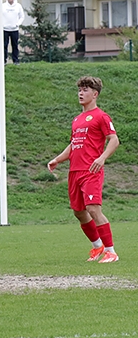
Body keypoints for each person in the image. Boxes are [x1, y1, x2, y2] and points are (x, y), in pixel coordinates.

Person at [48, 76, 120, 263]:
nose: (81, 93)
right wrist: (58, 159)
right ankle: (98, 246)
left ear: (95, 94)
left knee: (93, 209)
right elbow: (74, 144)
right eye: (79, 89)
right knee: (78, 212)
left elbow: (114, 140)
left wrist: (102, 158)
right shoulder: (77, 119)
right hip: (75, 171)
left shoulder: (101, 116)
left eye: (85, 89)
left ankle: (111, 252)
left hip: (91, 170)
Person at [2, 0, 25, 65]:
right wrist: (2, 24)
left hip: (14, 29)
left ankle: (15, 61)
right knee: (4, 45)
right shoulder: (3, 6)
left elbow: (22, 16)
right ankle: (3, 61)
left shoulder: (18, 6)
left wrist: (17, 24)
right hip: (5, 29)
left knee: (15, 45)